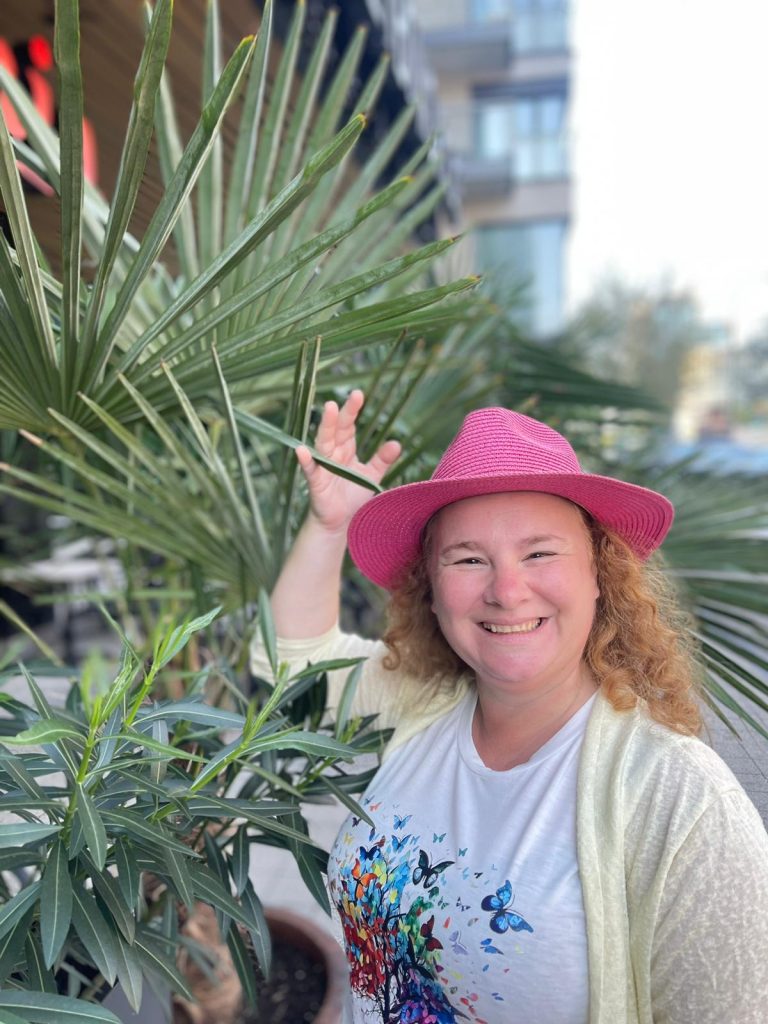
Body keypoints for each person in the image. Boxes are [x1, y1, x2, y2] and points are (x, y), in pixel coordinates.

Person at [251, 391, 768, 1024]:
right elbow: (291, 663)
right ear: (431, 591)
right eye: (469, 559)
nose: (506, 590)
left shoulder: (682, 802)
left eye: (540, 552)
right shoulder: (425, 703)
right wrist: (331, 527)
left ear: (600, 574)